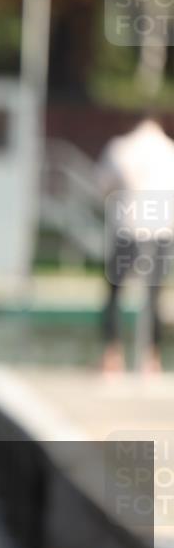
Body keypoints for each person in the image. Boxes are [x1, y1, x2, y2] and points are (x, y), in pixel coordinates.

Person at [98, 115, 174, 373]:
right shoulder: (169, 152)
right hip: (160, 231)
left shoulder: (121, 148)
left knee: (114, 293)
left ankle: (112, 355)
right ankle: (152, 358)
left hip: (128, 228)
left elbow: (103, 184)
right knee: (154, 296)